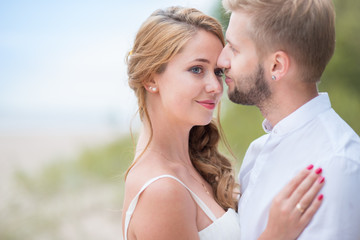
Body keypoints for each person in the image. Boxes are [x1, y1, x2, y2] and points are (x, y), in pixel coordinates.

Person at [122, 6, 325, 240]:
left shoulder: (192, 167)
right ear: (150, 78)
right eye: (197, 69)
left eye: (218, 72)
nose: (216, 87)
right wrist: (275, 234)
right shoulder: (160, 191)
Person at [217, 0, 360, 239]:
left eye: (234, 48)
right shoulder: (256, 152)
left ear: (277, 65)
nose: (221, 61)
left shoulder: (337, 167)